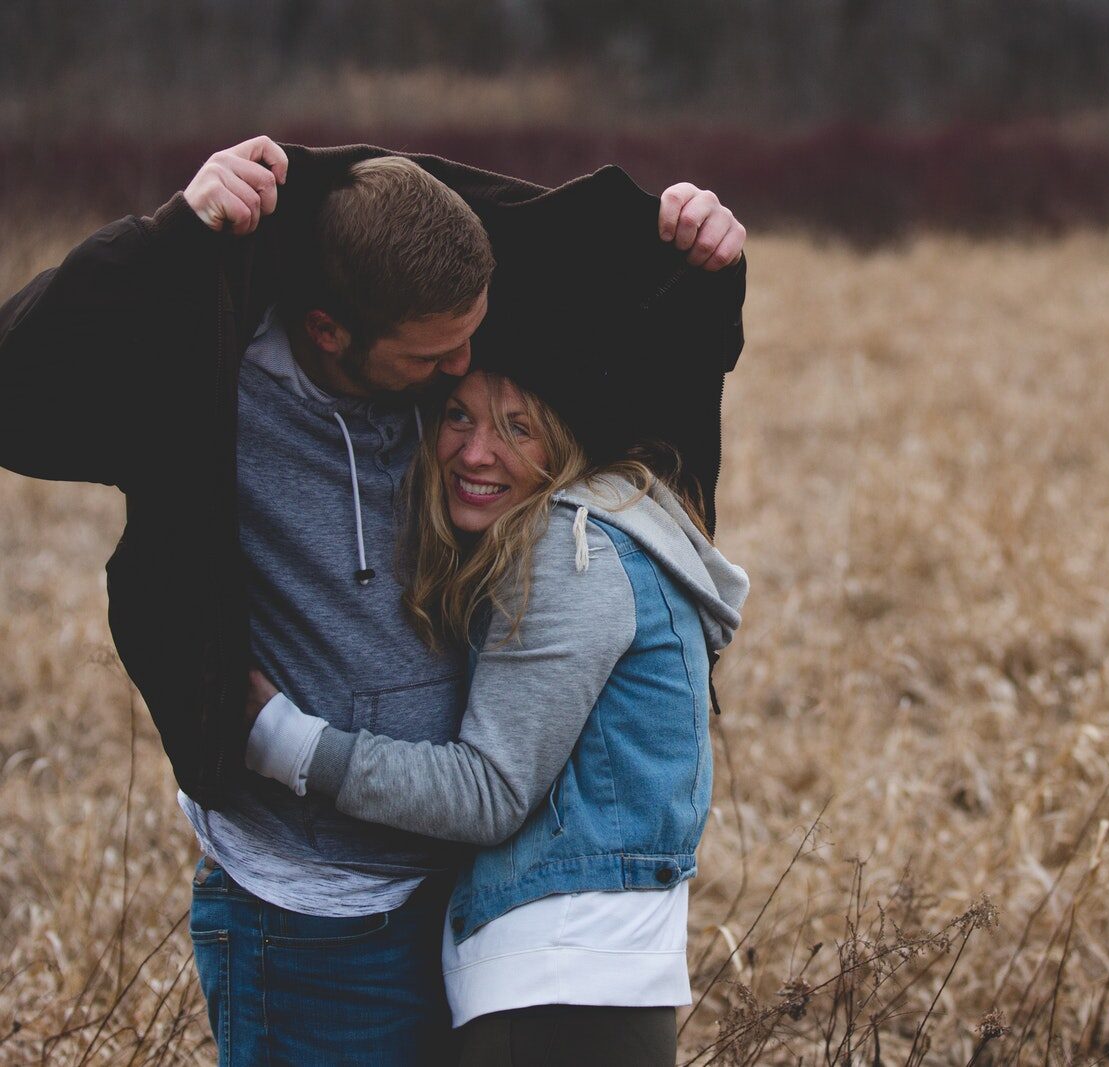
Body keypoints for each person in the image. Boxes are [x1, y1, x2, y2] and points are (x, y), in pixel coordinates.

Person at [0, 135, 747, 1064]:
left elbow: (618, 332)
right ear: (329, 332)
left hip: (458, 901)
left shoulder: (439, 354)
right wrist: (170, 236)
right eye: (438, 358)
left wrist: (704, 255)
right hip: (309, 913)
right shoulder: (205, 386)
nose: (465, 366)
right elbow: (17, 379)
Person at [243, 350, 747, 1065]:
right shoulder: (620, 531)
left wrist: (286, 743)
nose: (476, 451)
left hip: (557, 989)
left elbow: (489, 790)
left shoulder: (574, 551)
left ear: (566, 441)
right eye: (458, 415)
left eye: (518, 428)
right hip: (594, 980)